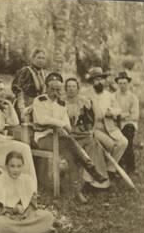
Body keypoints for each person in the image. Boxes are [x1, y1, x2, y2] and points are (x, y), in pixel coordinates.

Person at [32, 72, 107, 203]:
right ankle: (90, 167)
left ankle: (77, 192)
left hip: (61, 140)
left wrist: (60, 125)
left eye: (57, 89)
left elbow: (68, 126)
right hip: (43, 138)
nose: (55, 92)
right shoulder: (39, 100)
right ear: (46, 88)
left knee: (71, 156)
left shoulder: (61, 103)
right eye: (52, 89)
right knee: (69, 142)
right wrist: (59, 124)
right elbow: (42, 119)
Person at [0, 151, 55, 233]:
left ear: (23, 166)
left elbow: (32, 206)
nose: (16, 170)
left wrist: (26, 213)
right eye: (12, 166)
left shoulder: (27, 180)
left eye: (19, 166)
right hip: (6, 219)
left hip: (25, 218)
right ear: (6, 166)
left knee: (47, 216)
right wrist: (12, 210)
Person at [64, 77, 110, 189]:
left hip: (83, 134)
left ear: (78, 88)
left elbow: (94, 118)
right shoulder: (61, 103)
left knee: (94, 145)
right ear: (65, 89)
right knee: (79, 148)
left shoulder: (84, 102)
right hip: (68, 136)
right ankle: (85, 180)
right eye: (68, 86)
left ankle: (95, 181)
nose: (71, 89)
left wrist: (92, 130)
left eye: (73, 86)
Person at [86, 67, 128, 177]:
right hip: (95, 127)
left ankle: (110, 168)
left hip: (110, 126)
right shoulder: (88, 95)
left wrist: (112, 112)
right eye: (96, 80)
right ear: (92, 82)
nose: (99, 82)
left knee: (123, 142)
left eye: (101, 79)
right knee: (110, 145)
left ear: (104, 80)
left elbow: (118, 109)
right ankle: (104, 169)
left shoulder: (109, 95)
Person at [11, 47, 48, 120]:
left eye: (43, 58)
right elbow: (18, 90)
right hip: (25, 105)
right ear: (33, 58)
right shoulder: (26, 71)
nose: (41, 60)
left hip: (39, 106)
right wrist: (22, 109)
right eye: (39, 58)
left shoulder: (43, 74)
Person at [114, 71, 140, 173]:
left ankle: (130, 166)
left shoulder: (133, 98)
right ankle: (118, 164)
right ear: (117, 84)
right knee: (116, 141)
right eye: (120, 83)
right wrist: (124, 114)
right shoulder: (114, 96)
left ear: (128, 83)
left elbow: (135, 115)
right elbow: (111, 110)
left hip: (129, 123)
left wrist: (121, 115)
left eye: (124, 83)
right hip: (115, 123)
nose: (122, 86)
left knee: (127, 138)